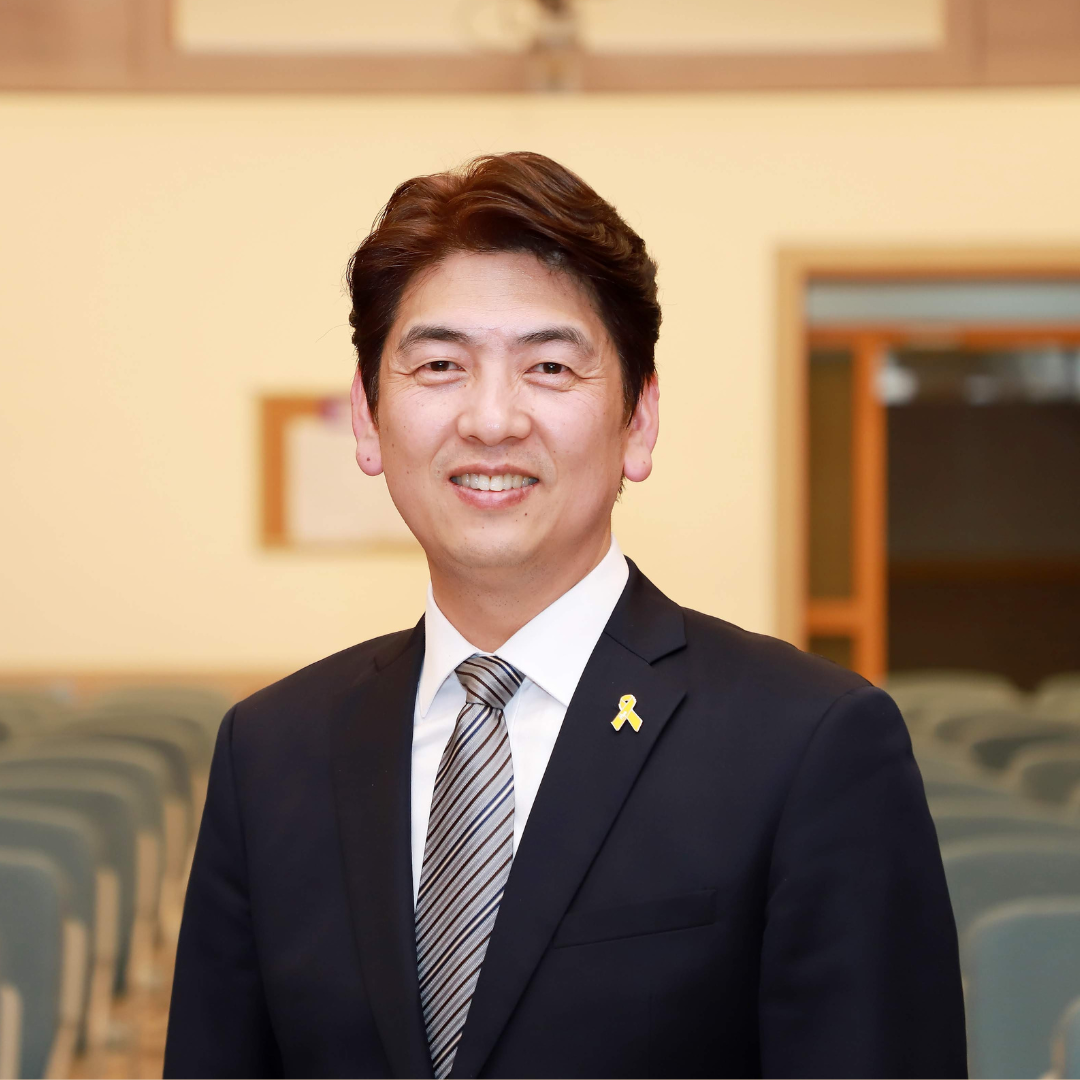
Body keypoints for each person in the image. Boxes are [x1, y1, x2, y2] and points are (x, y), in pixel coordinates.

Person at [163, 152, 966, 1079]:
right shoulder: (270, 751)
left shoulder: (811, 742)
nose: (491, 419)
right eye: (439, 365)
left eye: (548, 366)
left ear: (638, 422)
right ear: (367, 418)